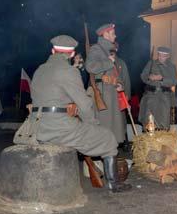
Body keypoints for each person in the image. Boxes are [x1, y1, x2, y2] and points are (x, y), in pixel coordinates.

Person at [31, 35, 131, 192]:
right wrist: (92, 124)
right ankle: (114, 184)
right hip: (58, 128)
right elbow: (84, 104)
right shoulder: (69, 71)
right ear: (71, 54)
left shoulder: (39, 70)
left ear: (52, 51)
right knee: (107, 138)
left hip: (36, 126)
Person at [85, 24, 126, 144]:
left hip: (112, 92)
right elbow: (90, 67)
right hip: (103, 93)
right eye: (113, 33)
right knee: (105, 127)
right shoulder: (96, 49)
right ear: (106, 34)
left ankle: (110, 155)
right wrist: (108, 62)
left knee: (113, 130)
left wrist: (119, 83)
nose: (115, 35)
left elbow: (115, 73)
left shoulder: (110, 50)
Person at [139, 46, 177, 130]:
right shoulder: (151, 63)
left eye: (163, 56)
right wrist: (149, 77)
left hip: (164, 96)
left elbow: (174, 81)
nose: (161, 57)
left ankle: (162, 139)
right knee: (149, 119)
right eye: (159, 55)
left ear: (168, 56)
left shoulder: (171, 67)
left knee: (163, 120)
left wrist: (162, 79)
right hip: (151, 96)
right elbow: (143, 76)